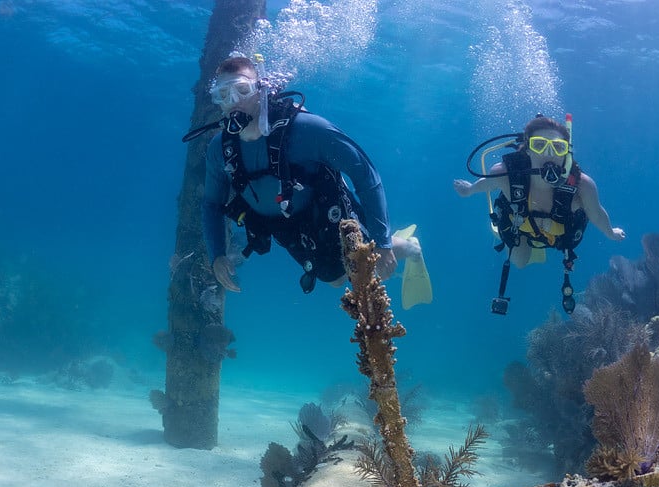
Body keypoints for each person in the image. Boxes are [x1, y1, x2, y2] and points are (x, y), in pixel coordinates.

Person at [198, 54, 421, 295]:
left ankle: (410, 248)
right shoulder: (219, 149)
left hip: (324, 207)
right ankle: (384, 249)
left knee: (365, 260)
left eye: (242, 90)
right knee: (334, 279)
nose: (233, 102)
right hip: (283, 223)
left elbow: (365, 174)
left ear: (261, 90)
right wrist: (217, 254)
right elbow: (212, 202)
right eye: (222, 95)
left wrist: (384, 242)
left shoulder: (307, 129)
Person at [453, 114, 624, 314]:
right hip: (521, 227)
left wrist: (610, 232)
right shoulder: (505, 174)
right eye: (540, 145)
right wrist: (469, 190)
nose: (549, 154)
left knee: (528, 256)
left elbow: (596, 214)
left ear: (566, 153)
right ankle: (501, 235)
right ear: (527, 149)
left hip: (560, 234)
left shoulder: (582, 186)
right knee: (520, 262)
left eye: (558, 147)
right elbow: (485, 184)